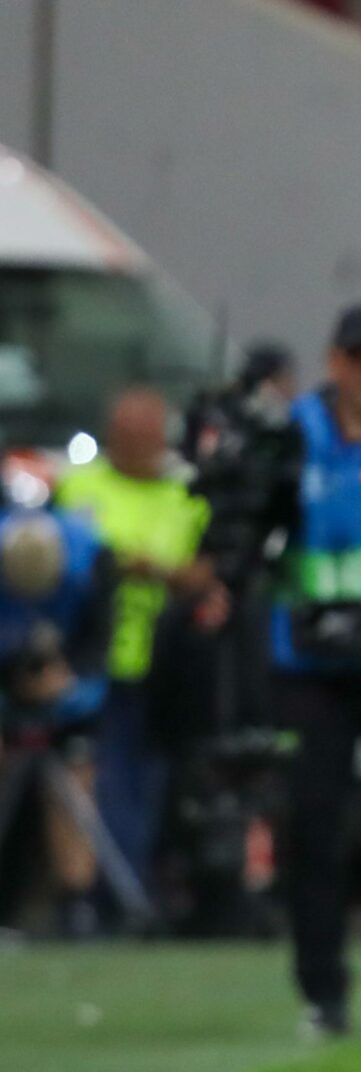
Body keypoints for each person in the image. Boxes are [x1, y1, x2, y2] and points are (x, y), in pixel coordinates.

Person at [275, 303, 361, 1037]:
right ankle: (323, 991)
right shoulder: (290, 436)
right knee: (312, 828)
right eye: (357, 355)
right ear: (334, 361)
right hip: (311, 664)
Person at [52, 384, 220, 913]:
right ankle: (97, 892)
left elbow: (209, 571)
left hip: (165, 660)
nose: (137, 445)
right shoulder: (77, 486)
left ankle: (136, 889)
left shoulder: (186, 495)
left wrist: (159, 572)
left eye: (146, 435)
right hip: (89, 657)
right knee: (96, 778)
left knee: (150, 778)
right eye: (127, 435)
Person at [0, 507, 118, 927]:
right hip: (8, 687)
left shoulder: (91, 563)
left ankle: (76, 898)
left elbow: (98, 651)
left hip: (68, 688)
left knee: (74, 777)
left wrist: (65, 686)